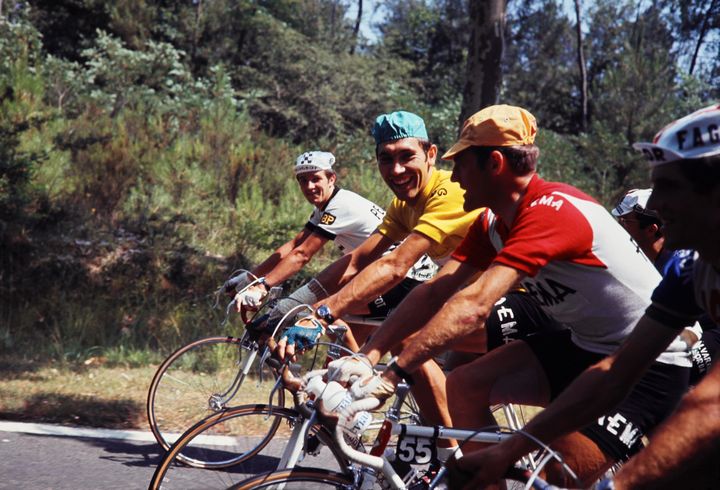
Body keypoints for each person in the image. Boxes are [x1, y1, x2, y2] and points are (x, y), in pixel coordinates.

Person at [342, 104, 691, 486]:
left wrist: (393, 375)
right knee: (464, 385)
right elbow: (434, 290)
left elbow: (473, 304)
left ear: (494, 163)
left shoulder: (550, 210)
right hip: (584, 346)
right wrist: (368, 356)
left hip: (651, 363)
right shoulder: (492, 220)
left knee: (557, 472)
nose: (454, 177)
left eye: (461, 165)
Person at [449, 103, 720, 489]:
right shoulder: (689, 271)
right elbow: (614, 372)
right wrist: (505, 453)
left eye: (670, 186)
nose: (655, 204)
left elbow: (710, 404)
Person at [228, 150, 435, 350]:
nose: (309, 186)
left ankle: (359, 370)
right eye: (303, 180)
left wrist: (263, 285)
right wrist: (251, 278)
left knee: (317, 311)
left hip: (404, 278)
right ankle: (343, 375)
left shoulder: (340, 206)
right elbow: (294, 245)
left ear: (331, 179)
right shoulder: (326, 206)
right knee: (337, 357)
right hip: (379, 275)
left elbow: (302, 255)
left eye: (315, 179)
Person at [613, 188, 718, 384]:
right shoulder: (648, 259)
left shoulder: (678, 263)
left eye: (625, 222)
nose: (619, 228)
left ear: (651, 229)